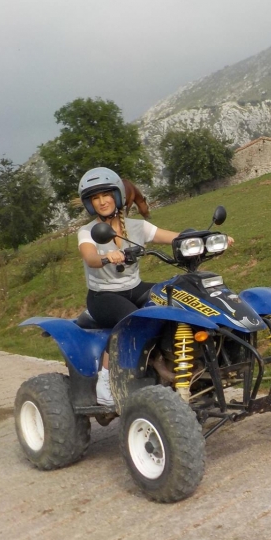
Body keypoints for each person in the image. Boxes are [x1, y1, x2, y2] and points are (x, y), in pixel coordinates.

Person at [77, 167, 182, 407]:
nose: (102, 201)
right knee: (130, 320)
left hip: (133, 287)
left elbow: (174, 237)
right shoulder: (87, 232)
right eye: (95, 197)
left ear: (117, 196)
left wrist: (207, 238)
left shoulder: (136, 227)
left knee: (176, 297)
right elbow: (90, 257)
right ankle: (105, 382)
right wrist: (107, 256)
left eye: (106, 194)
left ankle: (173, 363)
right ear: (90, 204)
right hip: (103, 295)